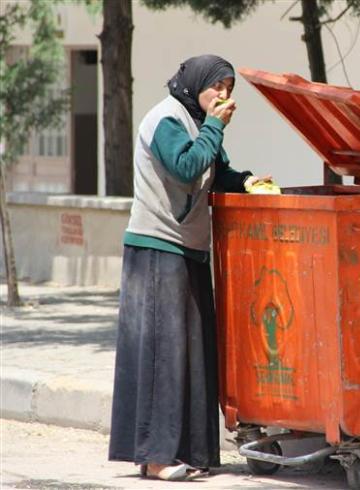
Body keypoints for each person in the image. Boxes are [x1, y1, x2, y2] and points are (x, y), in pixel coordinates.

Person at [108, 54, 270, 481]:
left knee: (195, 353)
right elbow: (184, 165)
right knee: (165, 354)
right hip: (158, 248)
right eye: (218, 86)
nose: (224, 95)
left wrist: (246, 182)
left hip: (190, 249)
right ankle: (156, 458)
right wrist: (217, 126)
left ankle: (192, 452)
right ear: (195, 83)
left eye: (230, 88)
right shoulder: (166, 120)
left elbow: (214, 170)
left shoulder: (197, 121)